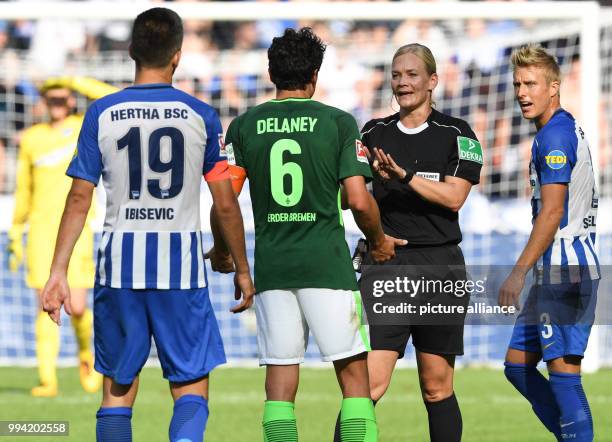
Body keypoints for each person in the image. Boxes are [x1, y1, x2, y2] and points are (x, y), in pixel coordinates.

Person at [40, 8, 255, 442]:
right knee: (191, 387)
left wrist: (58, 271)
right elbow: (226, 203)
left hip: (119, 269)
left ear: (131, 50)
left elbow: (80, 196)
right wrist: (242, 267)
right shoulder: (200, 115)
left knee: (118, 391)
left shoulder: (102, 112)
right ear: (177, 55)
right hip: (181, 270)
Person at [210, 27, 404, 442]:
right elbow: (358, 199)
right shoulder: (336, 122)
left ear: (270, 72)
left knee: (280, 386)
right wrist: (379, 240)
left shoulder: (245, 126)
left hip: (275, 268)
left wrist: (224, 250)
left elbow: (224, 201)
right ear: (314, 75)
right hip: (327, 266)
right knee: (354, 382)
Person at [334, 43, 483, 442]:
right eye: (397, 74)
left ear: (432, 81)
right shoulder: (371, 132)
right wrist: (371, 235)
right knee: (368, 387)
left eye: (412, 74)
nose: (403, 82)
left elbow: (454, 197)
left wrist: (404, 177)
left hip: (440, 267)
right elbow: (353, 196)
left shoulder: (458, 134)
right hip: (387, 266)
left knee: (437, 387)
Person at [499, 45, 599, 442]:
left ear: (553, 87)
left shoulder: (554, 137)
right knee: (518, 366)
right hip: (564, 270)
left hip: (564, 270)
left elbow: (553, 212)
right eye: (518, 84)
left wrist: (517, 272)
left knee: (563, 374)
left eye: (531, 84)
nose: (522, 92)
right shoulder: (562, 127)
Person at [8, 75, 117, 397]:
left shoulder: (85, 127)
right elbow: (23, 189)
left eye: (62, 98)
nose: (57, 104)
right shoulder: (32, 139)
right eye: (51, 99)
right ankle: (47, 379)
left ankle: (86, 356)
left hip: (77, 230)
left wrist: (74, 80)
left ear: (70, 100)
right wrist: (16, 228)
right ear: (44, 103)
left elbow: (112, 98)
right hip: (41, 232)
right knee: (45, 302)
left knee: (78, 307)